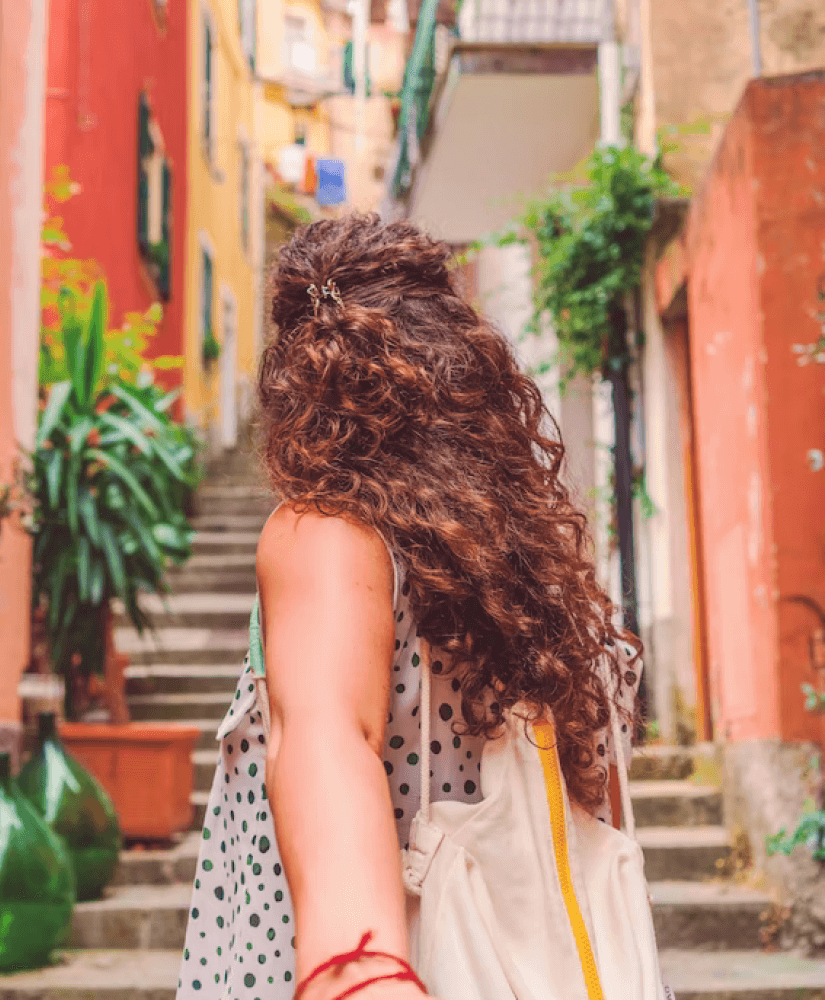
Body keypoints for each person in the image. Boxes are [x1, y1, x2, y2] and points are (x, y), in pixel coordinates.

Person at [175, 214, 642, 1000]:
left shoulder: (328, 539)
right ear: (463, 365)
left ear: (294, 388)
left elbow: (327, 741)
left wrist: (360, 975)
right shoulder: (547, 579)